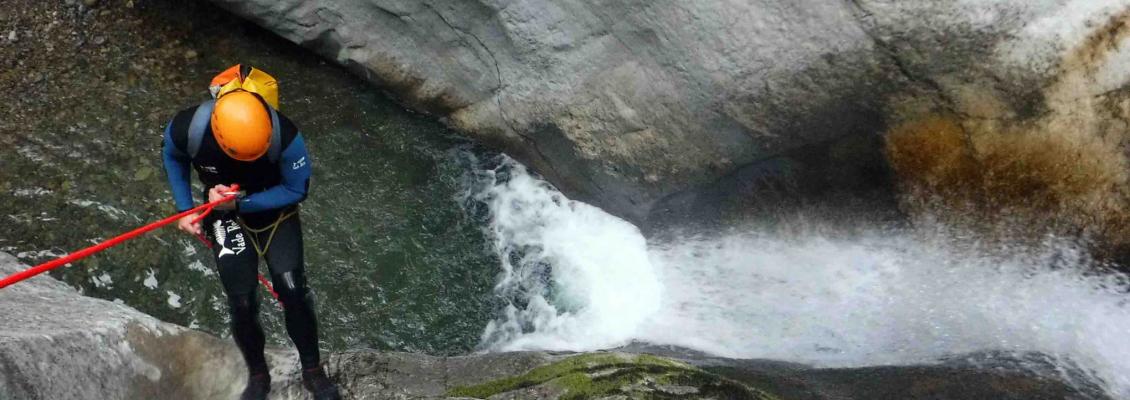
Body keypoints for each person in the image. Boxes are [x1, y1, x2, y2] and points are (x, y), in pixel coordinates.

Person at [161, 64, 341, 400]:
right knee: (241, 302)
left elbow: (296, 190)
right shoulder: (191, 128)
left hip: (274, 213)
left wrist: (240, 204)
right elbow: (172, 155)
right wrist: (186, 209)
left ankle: (312, 371)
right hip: (222, 212)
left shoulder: (285, 136)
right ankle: (258, 375)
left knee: (293, 291)